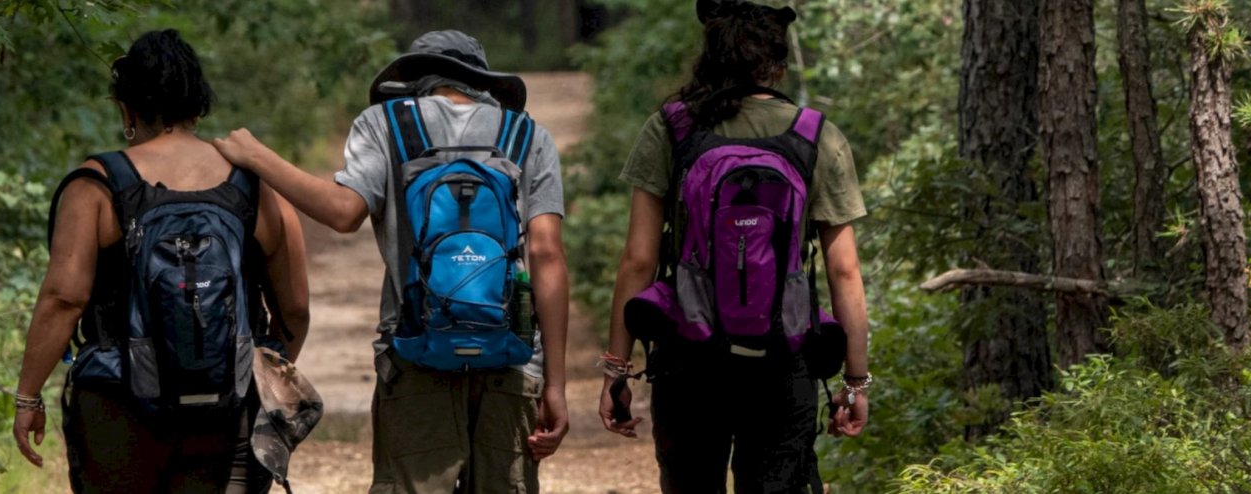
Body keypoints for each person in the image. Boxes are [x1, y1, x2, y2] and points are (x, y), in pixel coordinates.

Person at [211, 30, 571, 494]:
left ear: (413, 79)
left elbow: (344, 213)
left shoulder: (384, 123)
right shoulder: (528, 135)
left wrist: (258, 156)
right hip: (512, 359)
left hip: (415, 354)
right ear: (480, 81)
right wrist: (555, 385)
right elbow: (546, 252)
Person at [10, 29, 312, 493]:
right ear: (198, 103)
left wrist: (28, 395)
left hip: (117, 405)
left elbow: (63, 298)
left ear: (126, 108)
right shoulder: (255, 186)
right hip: (229, 409)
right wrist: (256, 373)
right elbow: (294, 308)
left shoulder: (98, 183)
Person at [598, 0, 871, 492]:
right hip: (784, 361)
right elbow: (844, 271)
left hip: (688, 356)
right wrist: (854, 384)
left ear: (711, 59)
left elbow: (638, 259)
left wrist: (617, 370)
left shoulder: (673, 127)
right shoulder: (815, 136)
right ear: (778, 65)